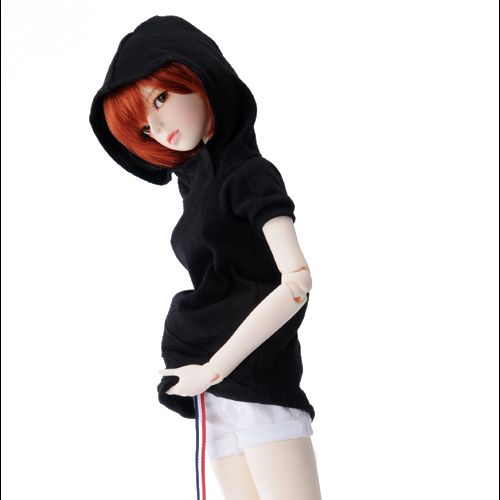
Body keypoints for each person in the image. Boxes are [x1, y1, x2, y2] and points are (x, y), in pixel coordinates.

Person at [89, 14, 322, 500]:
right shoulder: (196, 186)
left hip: (256, 382)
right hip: (214, 395)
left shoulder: (249, 174)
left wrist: (214, 368)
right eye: (144, 128)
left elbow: (297, 282)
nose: (158, 128)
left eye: (160, 99)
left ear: (196, 74)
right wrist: (206, 376)